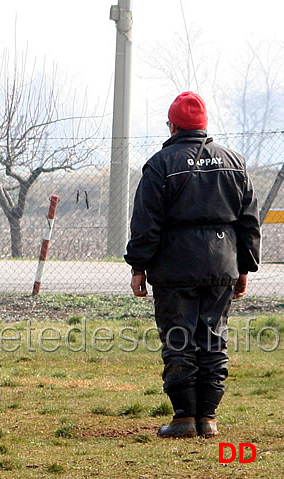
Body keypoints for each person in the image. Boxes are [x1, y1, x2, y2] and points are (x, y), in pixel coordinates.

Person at [124, 91, 261, 438]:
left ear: (171, 126)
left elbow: (145, 223)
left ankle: (184, 418)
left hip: (174, 269)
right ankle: (209, 419)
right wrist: (244, 267)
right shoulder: (234, 162)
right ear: (204, 126)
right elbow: (248, 222)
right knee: (214, 339)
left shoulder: (160, 164)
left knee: (179, 339)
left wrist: (139, 267)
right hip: (221, 266)